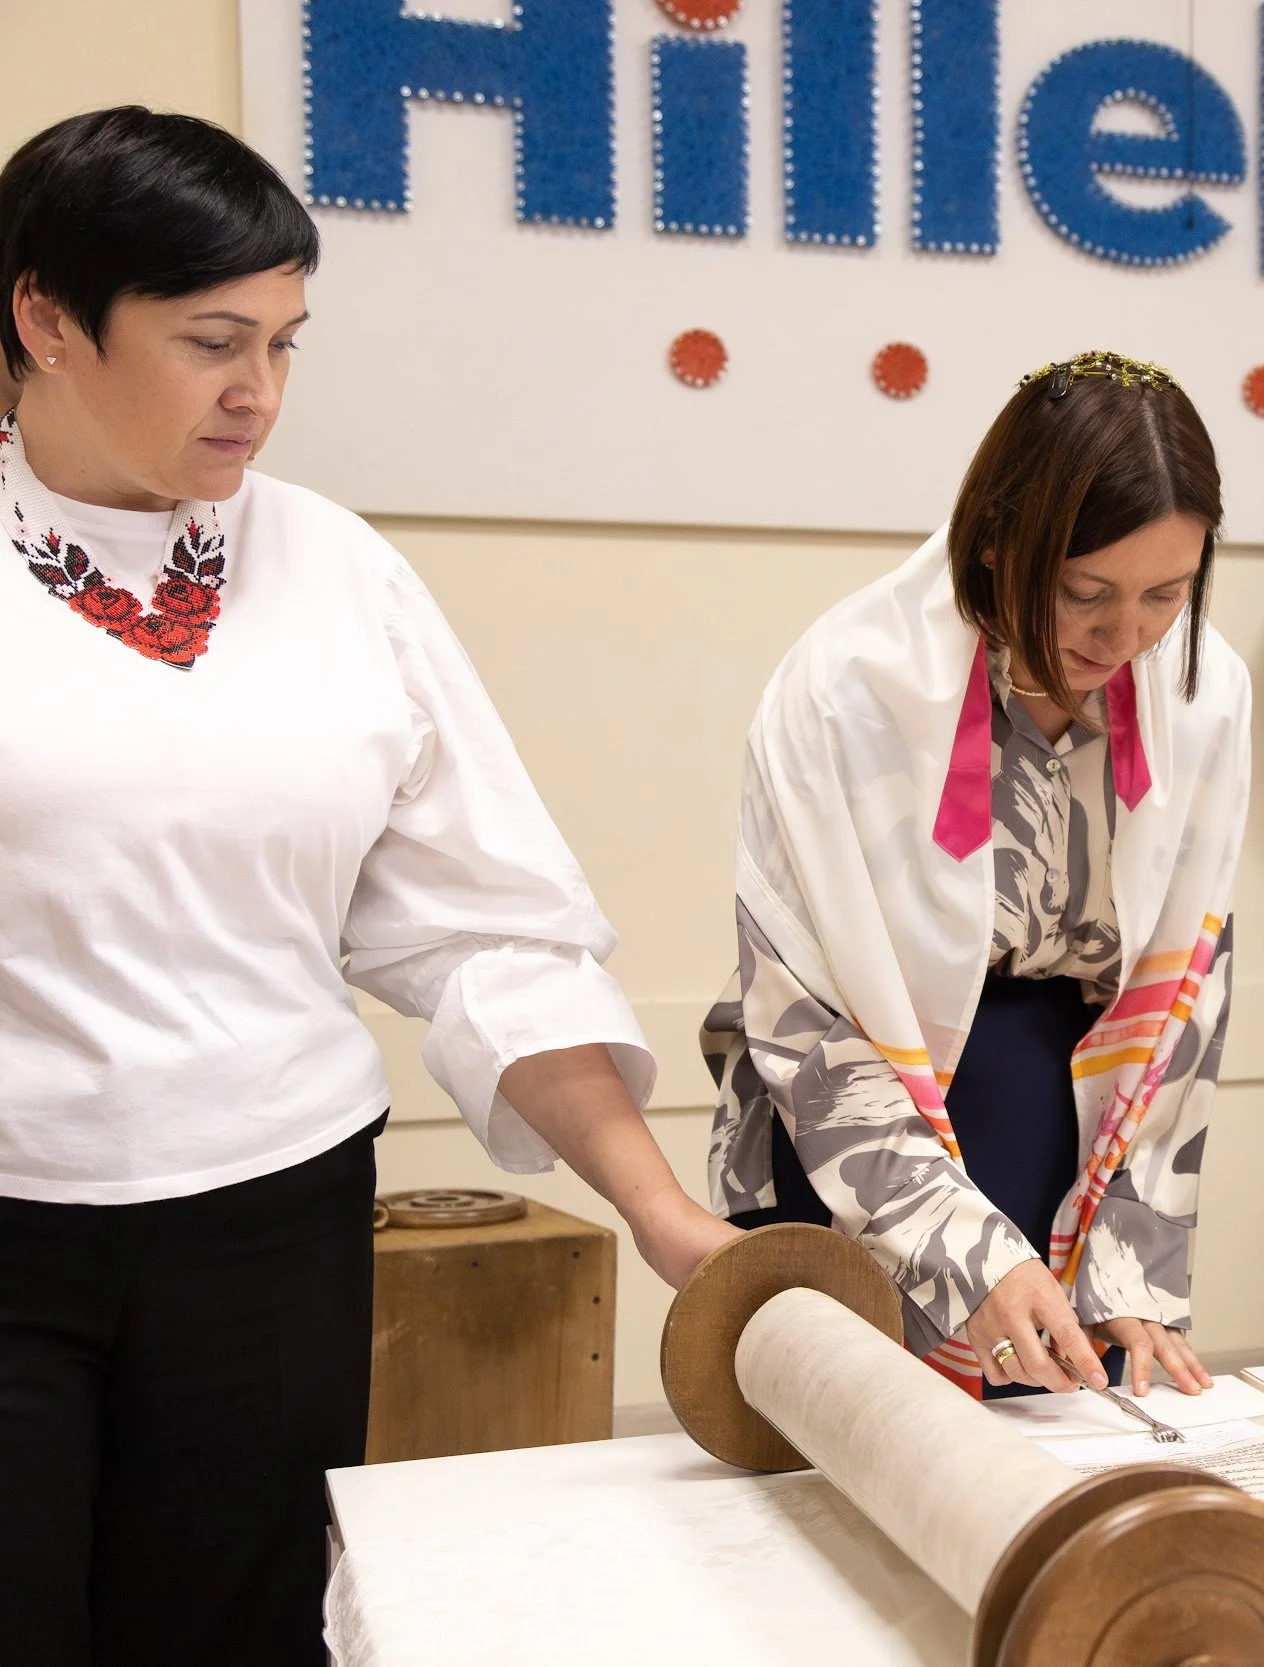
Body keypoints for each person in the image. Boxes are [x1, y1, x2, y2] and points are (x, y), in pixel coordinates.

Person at [0, 109, 735, 1666]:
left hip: (272, 1227)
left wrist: (661, 1210)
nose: (258, 392)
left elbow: (488, 931)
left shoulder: (338, 570)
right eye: (212, 342)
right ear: (46, 319)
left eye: (283, 343)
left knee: (244, 1634)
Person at [704, 351, 1249, 1403]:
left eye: (1165, 594)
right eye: (1085, 592)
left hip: (1076, 1121)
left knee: (1054, 1446)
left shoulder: (1203, 688)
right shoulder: (849, 686)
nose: (1126, 635)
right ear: (998, 539)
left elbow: (1189, 986)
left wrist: (1128, 1253)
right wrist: (962, 1249)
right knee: (861, 1442)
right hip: (855, 1126)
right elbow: (807, 1013)